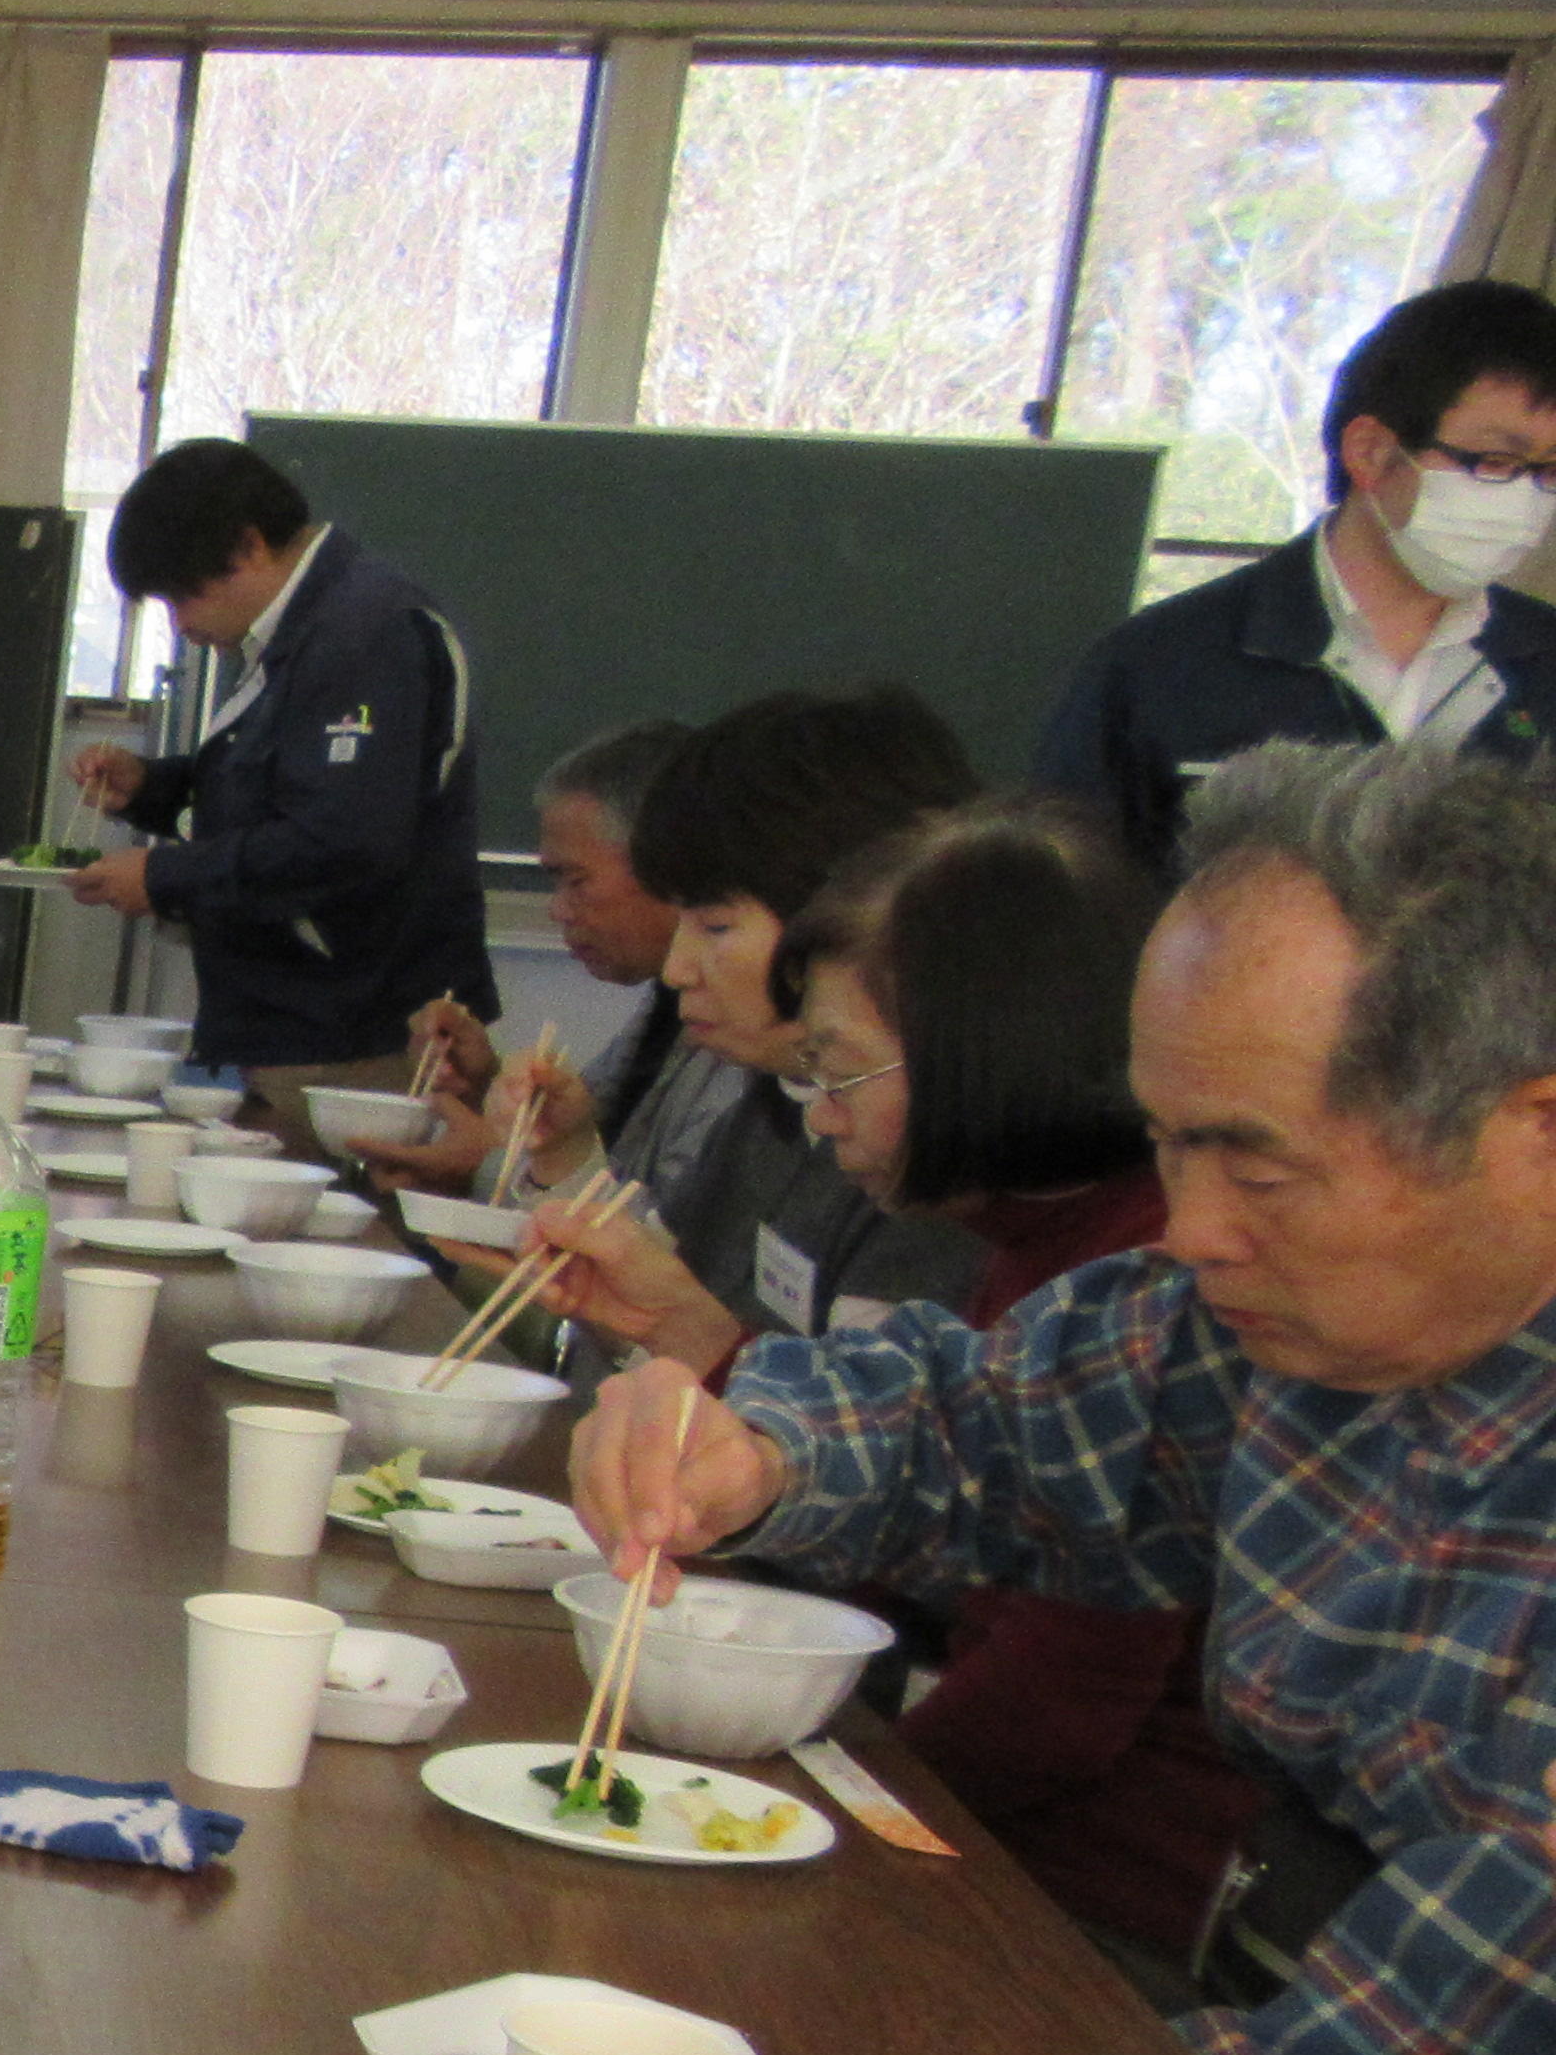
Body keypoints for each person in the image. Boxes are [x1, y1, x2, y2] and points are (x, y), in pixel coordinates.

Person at [576, 741, 1556, 2055]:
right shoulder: (1304, 1318)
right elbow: (989, 1422)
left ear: (1528, 1132)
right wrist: (754, 1450)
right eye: (1163, 1144)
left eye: (1249, 1163)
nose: (1183, 1227)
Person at [751, 806, 1261, 1964]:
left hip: (1085, 1915)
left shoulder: (1157, 1266)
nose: (819, 1119)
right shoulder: (1029, 1232)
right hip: (1000, 1849)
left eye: (837, 1071)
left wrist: (830, 1815)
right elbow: (946, 1448)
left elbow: (1056, 1709)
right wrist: (745, 1445)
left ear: (981, 1049)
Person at [462, 689, 988, 1367]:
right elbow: (656, 1304)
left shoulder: (921, 1161)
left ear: (840, 916)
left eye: (713, 926)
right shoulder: (776, 1100)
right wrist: (566, 1160)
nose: (678, 969)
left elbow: (840, 1448)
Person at [1028, 278, 1556, 880]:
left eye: (1549, 473)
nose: (1528, 498)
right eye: (1497, 463)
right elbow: (1064, 919)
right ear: (1372, 452)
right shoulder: (1157, 667)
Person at [65, 436, 492, 1139]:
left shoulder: (365, 634)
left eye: (184, 593)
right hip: (294, 1027)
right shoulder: (302, 630)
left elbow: (343, 841)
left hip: (354, 1040)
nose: (181, 623)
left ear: (250, 545)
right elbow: (276, 789)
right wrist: (153, 789)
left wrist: (165, 876)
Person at [352, 720, 690, 1198]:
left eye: (575, 880)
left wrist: (486, 1159)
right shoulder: (665, 1006)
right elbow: (582, 1136)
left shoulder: (737, 1043)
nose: (556, 909)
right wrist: (488, 1088)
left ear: (675, 865)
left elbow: (658, 1238)